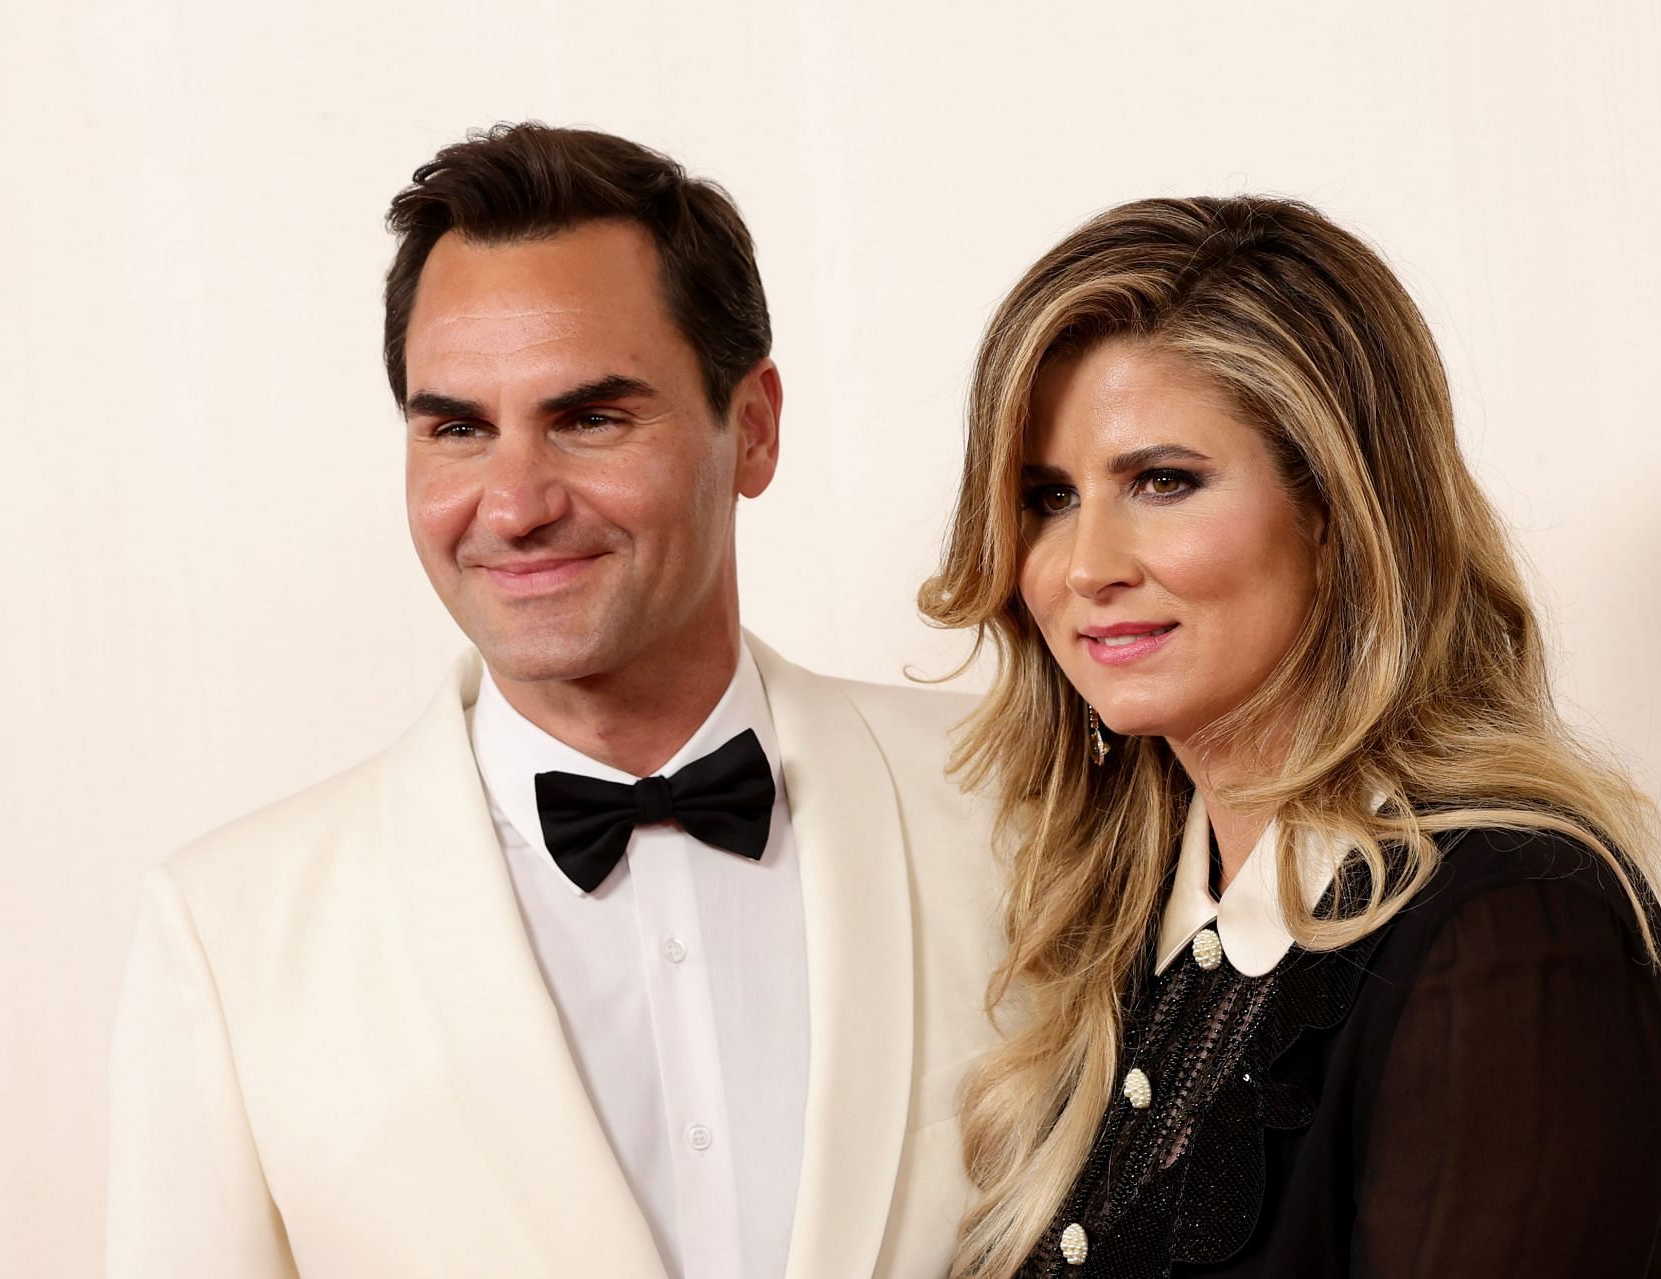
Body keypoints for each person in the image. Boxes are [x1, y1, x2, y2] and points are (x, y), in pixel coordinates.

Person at [107, 123, 1001, 1279]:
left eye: (589, 418)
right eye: (458, 429)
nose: (516, 505)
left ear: (756, 428)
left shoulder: (1016, 808)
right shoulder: (229, 938)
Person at [922, 196, 1661, 1277]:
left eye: (1163, 481)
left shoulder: (1519, 931)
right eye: (1048, 497)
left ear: (1341, 508)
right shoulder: (1121, 926)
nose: (1082, 565)